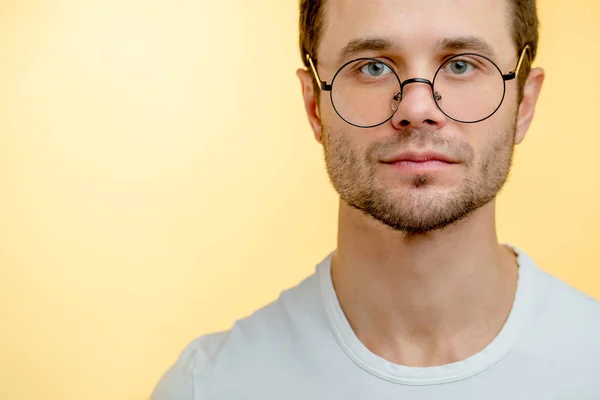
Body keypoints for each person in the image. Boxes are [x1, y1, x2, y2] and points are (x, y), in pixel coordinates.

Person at [150, 0, 600, 398]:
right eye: (373, 67)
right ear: (314, 106)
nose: (417, 108)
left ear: (524, 104)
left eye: (462, 64)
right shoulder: (207, 387)